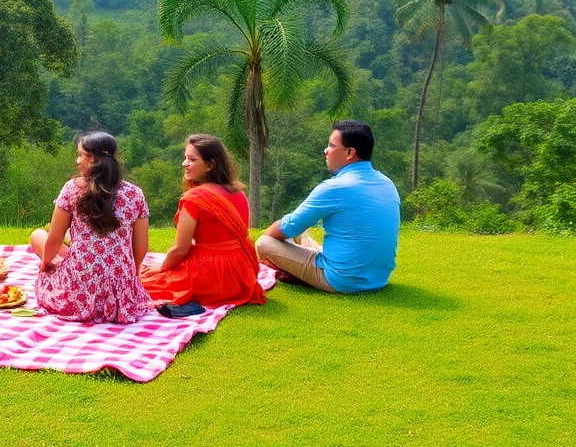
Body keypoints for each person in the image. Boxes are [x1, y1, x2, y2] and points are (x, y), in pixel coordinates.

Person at [256, 120, 400, 294]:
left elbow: (289, 226)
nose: (326, 150)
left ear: (349, 152)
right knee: (302, 235)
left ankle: (296, 275)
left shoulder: (335, 187)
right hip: (378, 278)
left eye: (332, 145)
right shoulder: (387, 183)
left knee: (264, 243)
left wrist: (269, 241)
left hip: (341, 280)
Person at [30, 131, 153, 324]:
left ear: (94, 159)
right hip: (120, 282)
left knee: (38, 235)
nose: (77, 161)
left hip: (81, 281)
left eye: (81, 155)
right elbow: (141, 246)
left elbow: (54, 239)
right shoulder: (135, 194)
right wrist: (132, 276)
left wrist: (45, 266)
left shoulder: (73, 189)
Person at [139, 134, 266, 309]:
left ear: (210, 165)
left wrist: (163, 267)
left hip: (213, 277)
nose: (184, 164)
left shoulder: (193, 199)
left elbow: (180, 248)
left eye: (191, 159)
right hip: (242, 274)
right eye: (185, 158)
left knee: (142, 283)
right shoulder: (238, 192)